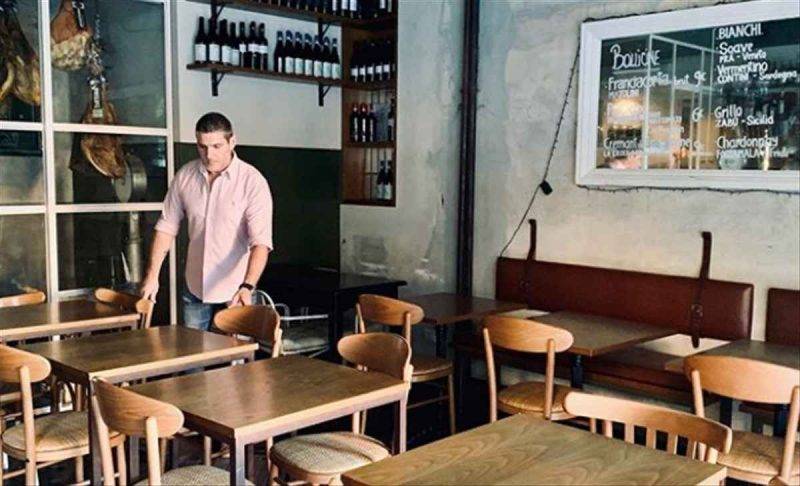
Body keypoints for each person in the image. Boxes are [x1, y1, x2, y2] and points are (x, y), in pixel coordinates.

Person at [140, 112, 273, 330]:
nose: (209, 155)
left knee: (237, 353)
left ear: (232, 142)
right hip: (194, 286)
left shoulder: (252, 182)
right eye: (202, 147)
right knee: (193, 350)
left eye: (217, 146)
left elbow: (261, 243)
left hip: (236, 289)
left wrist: (248, 286)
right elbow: (166, 227)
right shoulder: (185, 176)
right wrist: (152, 275)